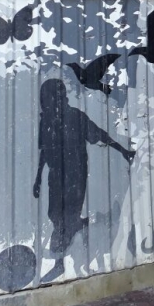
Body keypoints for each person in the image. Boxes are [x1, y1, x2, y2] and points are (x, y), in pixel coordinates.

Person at [33, 79, 135, 283]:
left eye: (50, 97)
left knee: (66, 218)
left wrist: (123, 151)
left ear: (59, 97)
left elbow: (100, 135)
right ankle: (86, 225)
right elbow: (44, 151)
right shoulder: (46, 121)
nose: (47, 102)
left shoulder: (75, 116)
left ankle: (60, 262)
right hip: (55, 176)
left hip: (75, 176)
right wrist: (38, 179)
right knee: (54, 215)